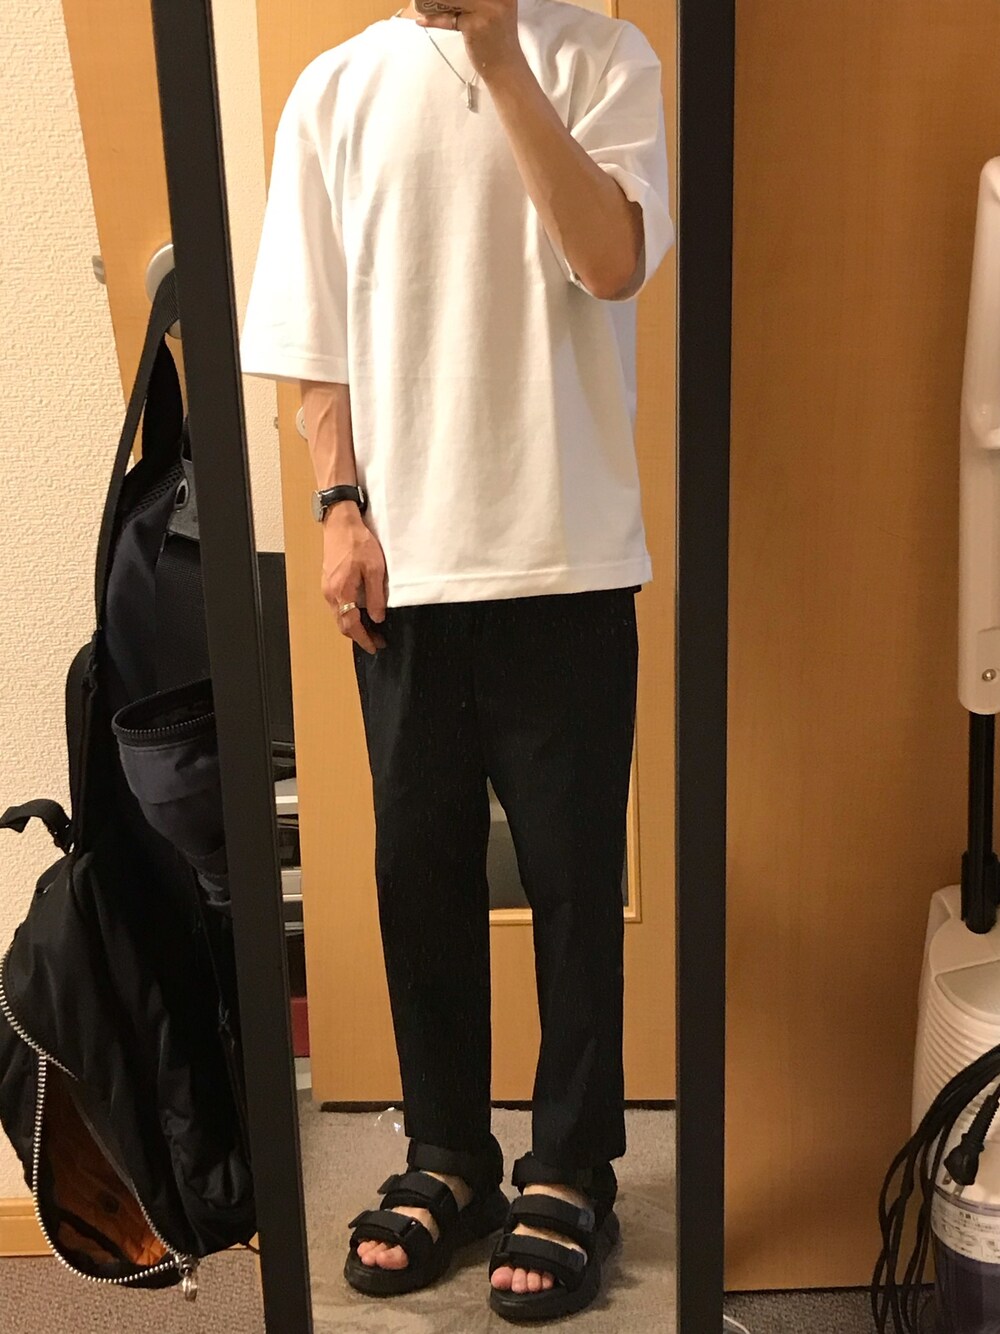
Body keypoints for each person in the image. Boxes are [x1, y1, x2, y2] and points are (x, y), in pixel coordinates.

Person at [239, 0, 672, 1320]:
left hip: (568, 558)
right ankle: (448, 1155)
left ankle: (572, 1165)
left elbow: (612, 262)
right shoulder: (334, 89)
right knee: (417, 875)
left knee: (573, 878)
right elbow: (313, 337)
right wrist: (339, 507)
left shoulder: (605, 58)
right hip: (405, 566)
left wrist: (497, 56)